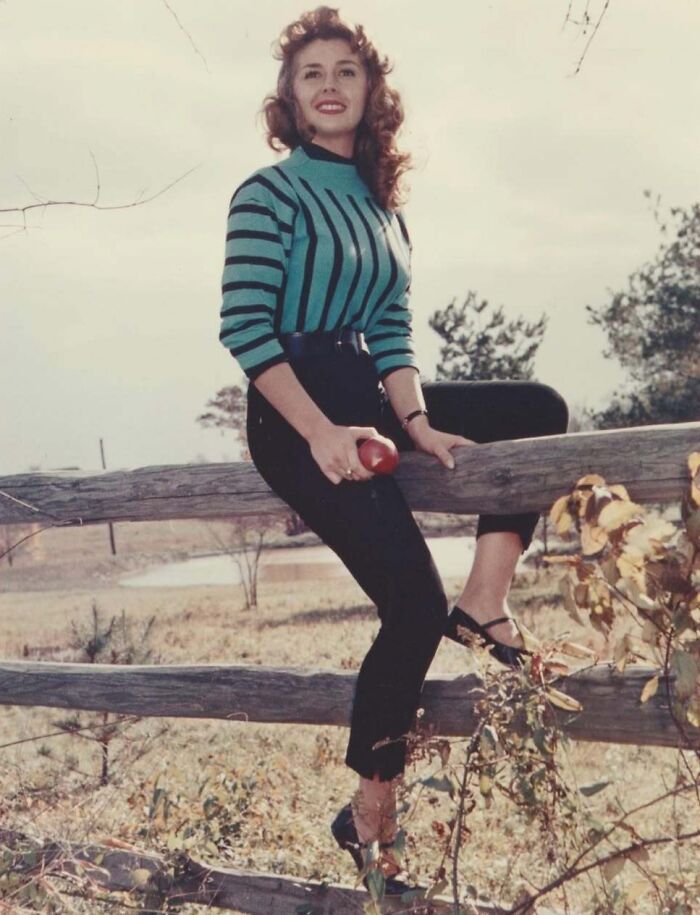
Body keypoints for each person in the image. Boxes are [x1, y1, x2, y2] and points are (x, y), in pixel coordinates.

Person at [218, 5, 569, 892]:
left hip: (367, 389)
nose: (329, 85)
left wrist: (414, 424)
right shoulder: (269, 193)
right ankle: (370, 808)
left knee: (538, 406)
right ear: (290, 101)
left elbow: (391, 326)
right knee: (409, 603)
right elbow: (245, 329)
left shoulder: (381, 204)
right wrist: (323, 433)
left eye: (346, 70)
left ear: (370, 90)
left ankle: (485, 600)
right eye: (311, 74)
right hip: (297, 405)